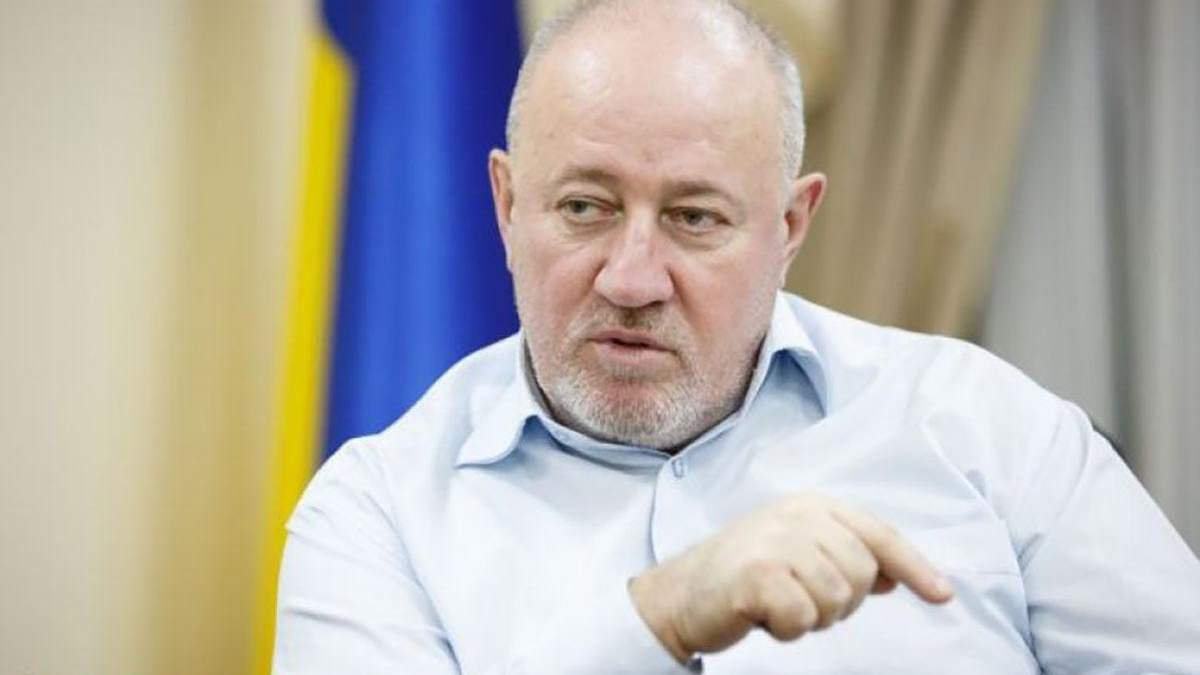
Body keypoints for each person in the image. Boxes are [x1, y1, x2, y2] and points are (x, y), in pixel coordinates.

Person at [272, 0, 1200, 672]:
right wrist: (661, 617)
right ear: (508, 205)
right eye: (586, 207)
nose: (632, 278)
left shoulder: (992, 432)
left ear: (791, 227)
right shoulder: (375, 516)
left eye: (695, 219)